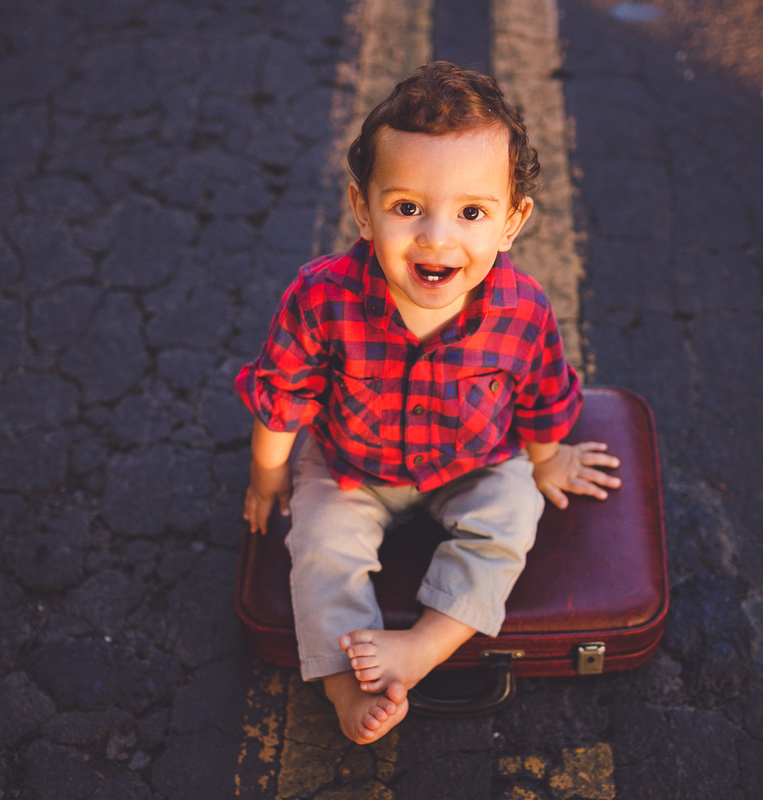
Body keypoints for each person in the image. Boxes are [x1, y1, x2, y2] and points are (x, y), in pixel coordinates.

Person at [236, 61, 621, 744]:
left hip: (474, 461)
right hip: (351, 464)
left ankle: (424, 647)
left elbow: (540, 393)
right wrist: (268, 472)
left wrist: (547, 461)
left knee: (512, 517)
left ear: (512, 220)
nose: (437, 236)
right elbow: (285, 393)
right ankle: (343, 687)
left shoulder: (521, 308)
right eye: (407, 207)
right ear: (363, 208)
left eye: (471, 212)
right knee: (319, 549)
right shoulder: (322, 296)